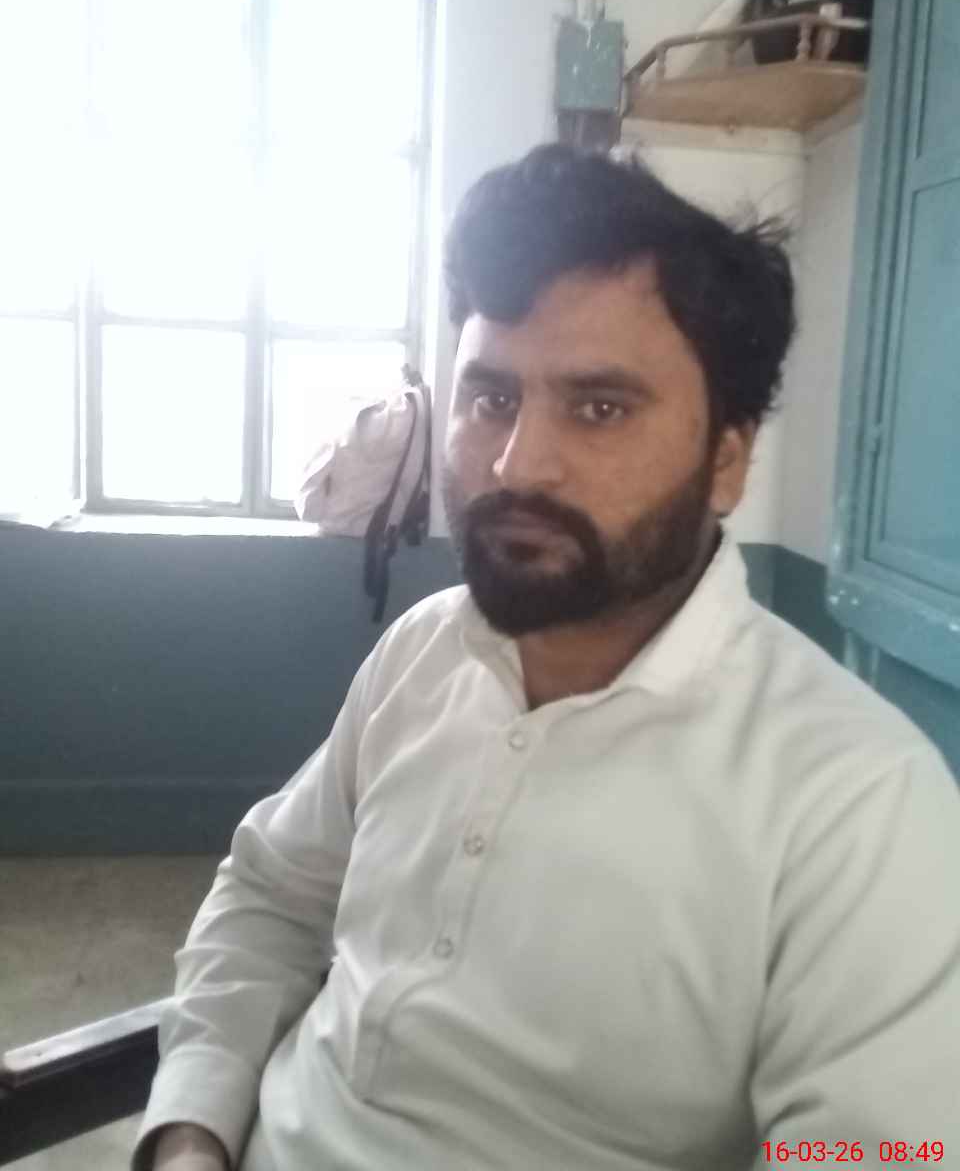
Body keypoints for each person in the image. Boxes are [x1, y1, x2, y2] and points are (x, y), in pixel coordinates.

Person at [135, 146, 960, 1171]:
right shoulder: (424, 651)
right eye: (490, 398)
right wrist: (191, 1131)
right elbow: (272, 895)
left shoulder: (860, 800)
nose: (517, 463)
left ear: (728, 459)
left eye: (600, 408)